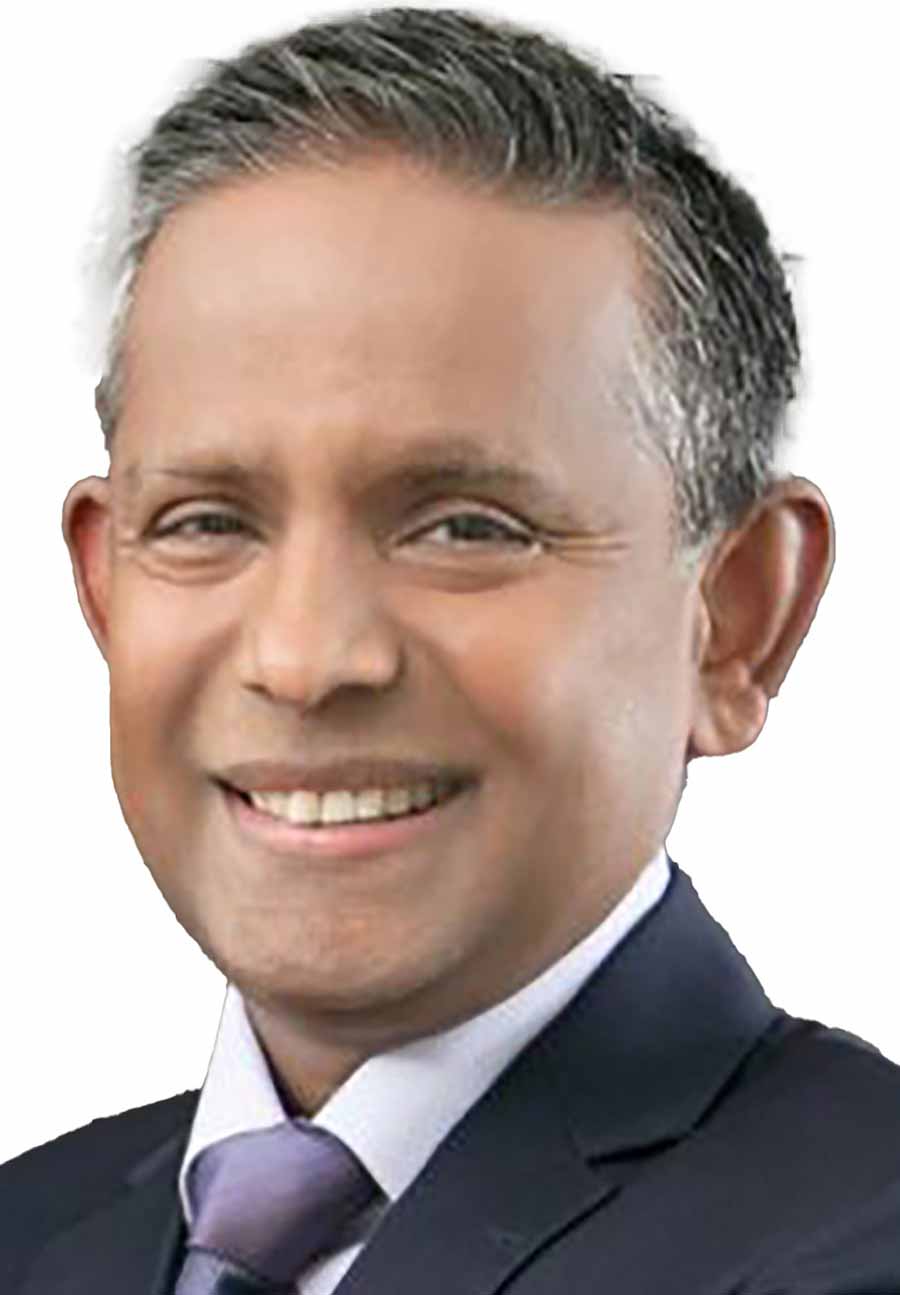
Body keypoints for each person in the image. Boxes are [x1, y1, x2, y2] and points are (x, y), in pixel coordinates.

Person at [3, 6, 898, 1292]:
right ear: (104, 585)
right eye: (205, 522)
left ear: (737, 615)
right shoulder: (30, 1227)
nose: (306, 657)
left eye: (468, 526)